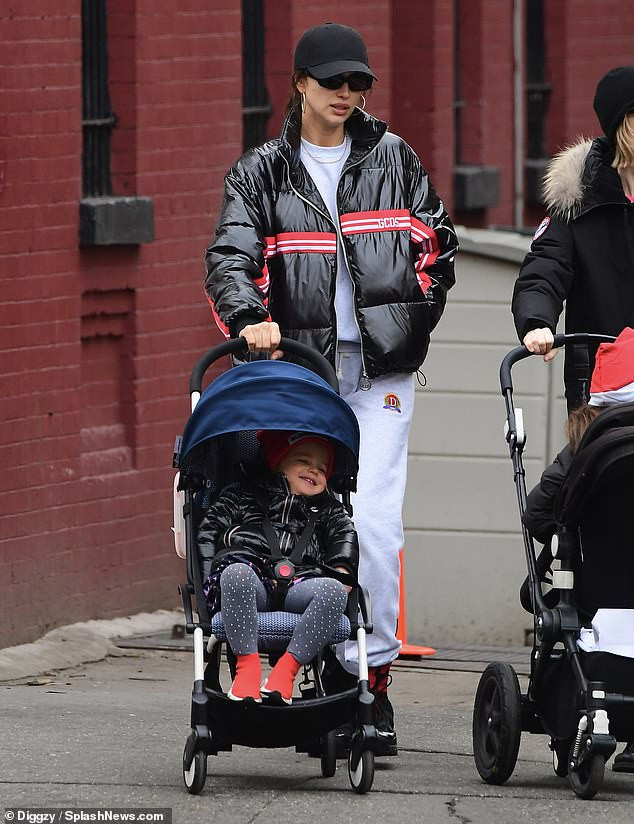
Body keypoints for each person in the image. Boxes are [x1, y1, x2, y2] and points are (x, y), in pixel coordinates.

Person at [204, 21, 458, 752]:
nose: (346, 94)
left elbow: (437, 249)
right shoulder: (261, 172)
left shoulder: (394, 158)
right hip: (298, 377)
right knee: (306, 521)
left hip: (381, 374)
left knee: (373, 527)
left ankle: (368, 683)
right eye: (332, 81)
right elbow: (229, 258)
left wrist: (410, 318)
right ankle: (311, 666)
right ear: (300, 84)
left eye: (358, 83)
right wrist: (249, 319)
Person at [522, 327, 634, 772]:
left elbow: (537, 513)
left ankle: (573, 711)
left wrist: (567, 528)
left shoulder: (583, 448)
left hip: (592, 599)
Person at [198, 430, 358, 705]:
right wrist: (206, 579)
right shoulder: (240, 496)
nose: (314, 470)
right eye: (303, 460)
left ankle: (285, 672)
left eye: (322, 469)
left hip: (302, 584)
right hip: (252, 580)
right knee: (235, 573)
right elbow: (208, 533)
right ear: (276, 462)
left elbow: (344, 538)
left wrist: (341, 568)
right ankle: (247, 669)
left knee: (334, 591)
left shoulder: (329, 510)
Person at [512, 65, 634, 411]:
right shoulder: (577, 205)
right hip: (602, 384)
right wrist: (537, 323)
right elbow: (543, 273)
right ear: (623, 126)